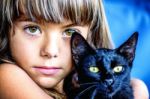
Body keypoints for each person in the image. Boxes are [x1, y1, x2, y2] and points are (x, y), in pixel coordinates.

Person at [0, 0, 149, 99]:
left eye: (70, 32)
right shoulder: (6, 75)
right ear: (6, 29)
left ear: (92, 34)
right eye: (32, 29)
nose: (51, 51)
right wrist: (139, 92)